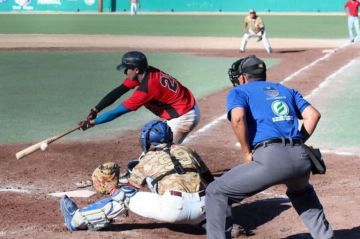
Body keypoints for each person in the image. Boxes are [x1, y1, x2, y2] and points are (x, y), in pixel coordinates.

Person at [205, 55, 335, 239]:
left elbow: (238, 118)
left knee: (216, 192)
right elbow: (313, 115)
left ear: (243, 77)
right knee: (302, 192)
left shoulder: (240, 91)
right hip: (301, 157)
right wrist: (297, 141)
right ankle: (325, 236)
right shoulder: (286, 90)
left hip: (270, 158)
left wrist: (246, 151)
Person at [60, 120, 214, 232]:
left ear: (148, 140)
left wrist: (114, 190)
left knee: (125, 197)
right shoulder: (188, 150)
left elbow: (127, 192)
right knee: (212, 188)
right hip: (205, 209)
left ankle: (76, 219)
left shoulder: (146, 159)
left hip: (174, 210)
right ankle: (218, 223)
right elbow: (210, 181)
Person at [79, 51, 200, 144]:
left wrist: (93, 123)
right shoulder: (147, 72)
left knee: (162, 153)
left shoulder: (146, 90)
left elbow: (117, 112)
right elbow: (118, 91)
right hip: (184, 108)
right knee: (155, 146)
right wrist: (96, 109)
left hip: (183, 116)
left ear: (136, 69)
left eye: (127, 69)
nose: (125, 71)